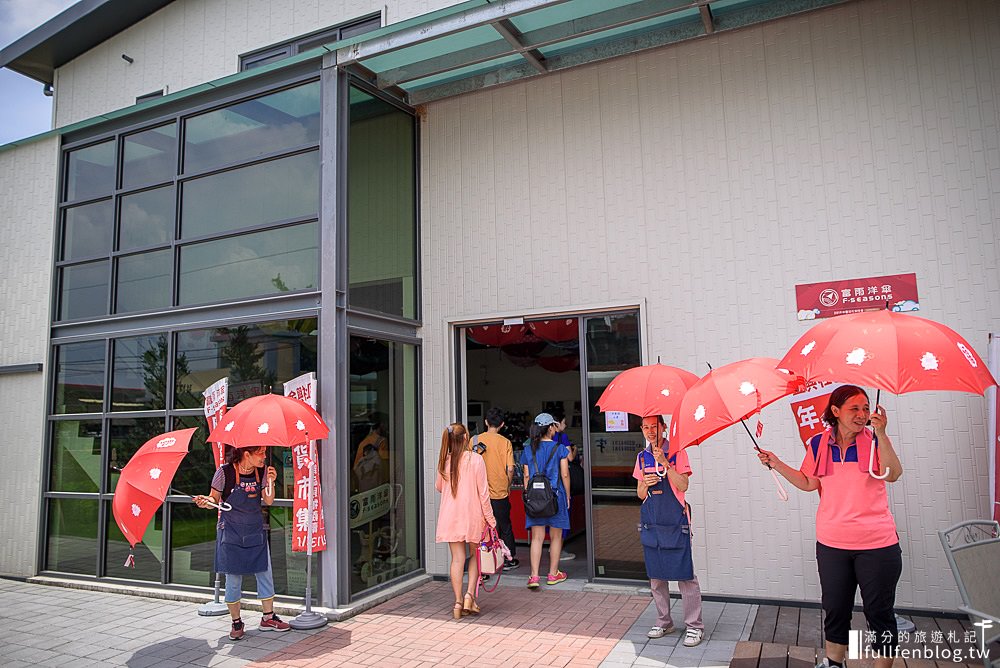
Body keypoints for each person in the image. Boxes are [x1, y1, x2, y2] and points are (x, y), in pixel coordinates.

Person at [757, 386, 903, 668]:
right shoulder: (818, 444)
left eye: (865, 408)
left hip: (878, 545)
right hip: (832, 544)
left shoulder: (874, 442)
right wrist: (776, 463)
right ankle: (834, 664)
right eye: (854, 409)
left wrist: (882, 433)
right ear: (835, 412)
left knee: (879, 612)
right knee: (836, 610)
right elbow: (809, 482)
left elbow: (893, 474)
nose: (862, 415)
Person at [193, 445, 290, 641]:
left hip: (255, 530)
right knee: (233, 580)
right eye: (260, 453)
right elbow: (214, 498)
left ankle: (268, 618)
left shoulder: (262, 472)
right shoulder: (224, 472)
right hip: (231, 532)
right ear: (247, 454)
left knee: (265, 573)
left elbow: (268, 501)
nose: (264, 456)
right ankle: (236, 622)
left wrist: (271, 481)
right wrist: (206, 501)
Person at [634, 414, 705, 647]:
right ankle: (664, 621)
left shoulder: (678, 452)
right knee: (656, 577)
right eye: (645, 427)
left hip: (676, 521)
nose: (650, 431)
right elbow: (640, 495)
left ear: (664, 427)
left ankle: (694, 626)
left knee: (685, 575)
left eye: (654, 427)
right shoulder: (641, 457)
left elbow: (684, 485)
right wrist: (646, 483)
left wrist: (665, 463)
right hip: (652, 522)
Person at [435, 422, 497, 619]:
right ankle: (470, 595)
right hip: (472, 516)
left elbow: (439, 487)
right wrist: (491, 519)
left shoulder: (444, 461)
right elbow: (484, 494)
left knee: (457, 559)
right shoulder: (476, 460)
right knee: (474, 556)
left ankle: (457, 602)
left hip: (450, 516)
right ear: (464, 439)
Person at [520, 412, 571, 589]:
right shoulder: (560, 448)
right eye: (554, 426)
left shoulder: (528, 449)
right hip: (557, 497)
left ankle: (534, 576)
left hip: (535, 499)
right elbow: (565, 474)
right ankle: (553, 574)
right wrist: (568, 495)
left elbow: (526, 475)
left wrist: (528, 496)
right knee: (556, 537)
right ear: (550, 428)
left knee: (537, 537)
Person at [474, 407, 519, 570]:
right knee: (505, 526)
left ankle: (482, 565)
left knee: (481, 529)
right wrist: (507, 485)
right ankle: (509, 559)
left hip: (479, 493)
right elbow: (511, 468)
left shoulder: (474, 440)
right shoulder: (505, 442)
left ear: (486, 422)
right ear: (502, 424)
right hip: (499, 492)